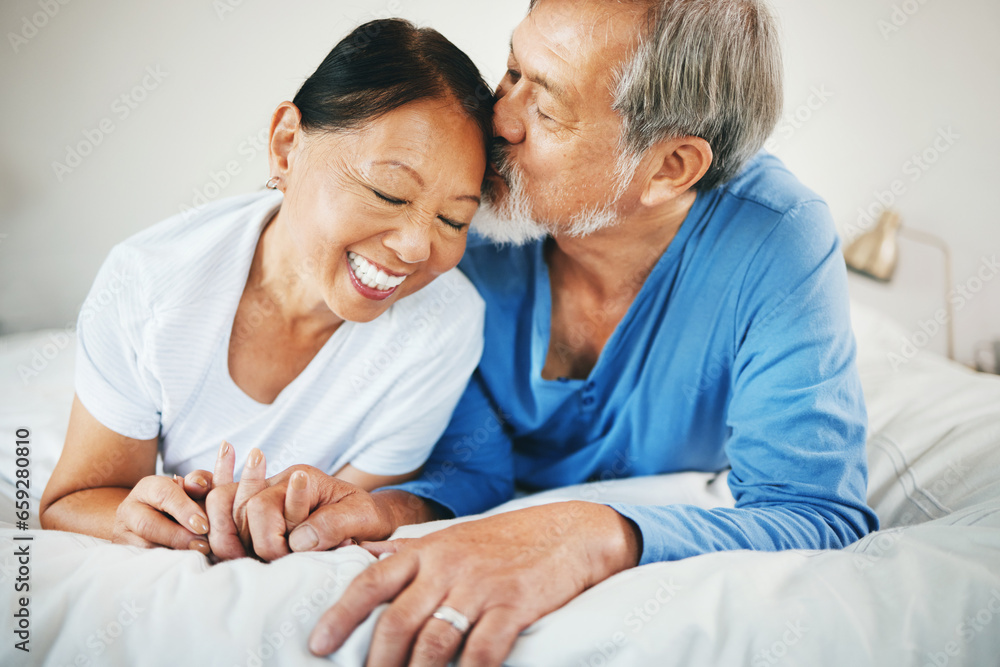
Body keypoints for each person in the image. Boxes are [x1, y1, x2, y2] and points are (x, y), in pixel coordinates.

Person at [260, 1, 881, 665]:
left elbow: (816, 513)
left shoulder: (775, 241)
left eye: (547, 108)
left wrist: (594, 533)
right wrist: (399, 508)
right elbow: (462, 458)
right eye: (511, 71)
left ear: (670, 166)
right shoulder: (449, 214)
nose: (497, 118)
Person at [38, 18, 495, 561]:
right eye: (389, 193)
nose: (418, 247)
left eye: (452, 220)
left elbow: (350, 511)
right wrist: (136, 518)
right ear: (286, 147)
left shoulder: (446, 323)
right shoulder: (148, 281)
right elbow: (70, 500)